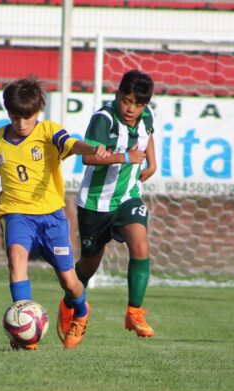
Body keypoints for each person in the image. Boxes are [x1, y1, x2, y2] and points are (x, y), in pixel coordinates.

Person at [0, 78, 108, 350]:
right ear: (8, 112)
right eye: (15, 116)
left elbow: (72, 144)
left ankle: (80, 311)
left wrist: (92, 149)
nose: (21, 123)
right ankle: (25, 334)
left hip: (51, 218)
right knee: (16, 260)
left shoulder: (47, 132)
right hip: (16, 215)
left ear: (38, 113)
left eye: (27, 117)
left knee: (69, 282)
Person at [59, 70, 158, 339]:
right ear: (117, 95)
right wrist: (125, 157)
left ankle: (134, 313)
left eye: (138, 105)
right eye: (127, 101)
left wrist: (152, 162)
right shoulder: (103, 120)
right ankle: (71, 304)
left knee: (140, 244)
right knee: (89, 265)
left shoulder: (146, 116)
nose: (131, 109)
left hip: (127, 196)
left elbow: (147, 135)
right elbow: (89, 159)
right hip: (95, 203)